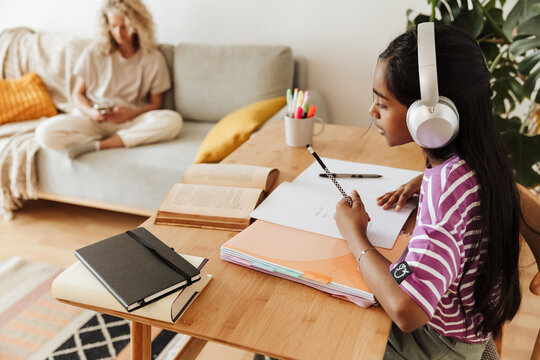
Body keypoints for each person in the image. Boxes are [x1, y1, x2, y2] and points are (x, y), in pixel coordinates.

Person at [334, 24, 521, 359]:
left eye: (383, 104)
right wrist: (423, 182)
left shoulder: (446, 193)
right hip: (469, 328)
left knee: (323, 322)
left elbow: (407, 310)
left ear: (429, 116)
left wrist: (355, 235)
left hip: (437, 343)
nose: (371, 112)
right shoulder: (478, 158)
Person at [36, 0, 182, 159]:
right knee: (44, 133)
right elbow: (77, 94)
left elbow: (156, 104)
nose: (119, 33)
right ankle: (122, 140)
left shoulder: (153, 58)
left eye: (124, 27)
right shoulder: (94, 52)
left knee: (173, 121)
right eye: (113, 27)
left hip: (131, 120)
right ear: (107, 26)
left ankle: (99, 145)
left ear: (138, 26)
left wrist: (131, 113)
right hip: (94, 120)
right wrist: (91, 112)